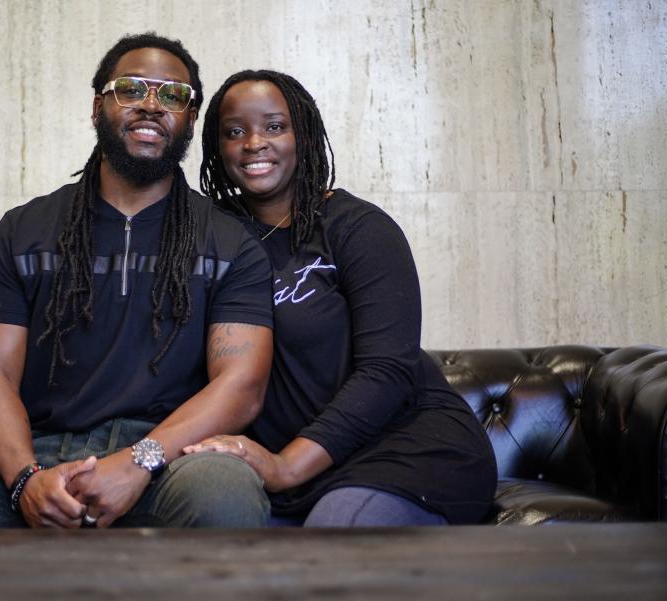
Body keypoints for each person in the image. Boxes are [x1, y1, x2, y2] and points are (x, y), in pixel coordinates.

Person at [0, 35, 275, 529]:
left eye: (173, 95)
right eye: (132, 89)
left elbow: (241, 386)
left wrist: (140, 459)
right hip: (37, 448)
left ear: (191, 119)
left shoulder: (229, 240)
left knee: (224, 496)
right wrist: (25, 480)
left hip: (170, 457)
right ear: (97, 107)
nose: (152, 106)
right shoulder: (24, 230)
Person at [186, 70, 497, 527]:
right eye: (235, 131)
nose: (254, 142)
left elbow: (387, 371)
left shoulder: (357, 228)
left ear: (304, 135)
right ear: (217, 148)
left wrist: (287, 465)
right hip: (296, 473)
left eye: (275, 126)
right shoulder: (213, 236)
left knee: (337, 531)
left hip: (403, 449)